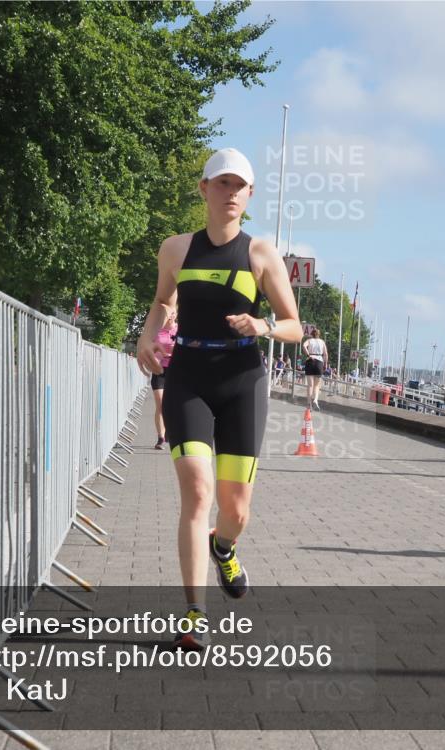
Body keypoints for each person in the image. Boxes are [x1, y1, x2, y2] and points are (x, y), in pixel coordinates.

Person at [137, 147, 302, 648]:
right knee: (197, 495)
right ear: (204, 189)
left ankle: (224, 548)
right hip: (188, 375)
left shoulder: (261, 254)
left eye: (239, 186)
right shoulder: (175, 249)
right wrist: (146, 336)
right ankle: (193, 614)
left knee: (236, 511)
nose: (230, 193)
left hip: (242, 381)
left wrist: (264, 325)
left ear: (250, 195)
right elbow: (164, 301)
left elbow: (296, 326)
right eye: (222, 183)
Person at [151, 305, 178, 449]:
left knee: (172, 404)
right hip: (159, 369)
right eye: (168, 313)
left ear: (176, 314)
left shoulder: (180, 330)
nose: (170, 315)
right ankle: (161, 438)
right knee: (160, 405)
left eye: (173, 313)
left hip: (176, 370)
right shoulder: (156, 331)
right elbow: (151, 349)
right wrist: (159, 354)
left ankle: (170, 432)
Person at [302, 326, 327, 410]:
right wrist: (325, 364)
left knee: (310, 385)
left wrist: (308, 355)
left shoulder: (309, 340)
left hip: (310, 361)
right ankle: (315, 400)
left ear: (311, 334)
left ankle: (309, 404)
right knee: (316, 385)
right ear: (319, 334)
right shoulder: (322, 342)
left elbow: (303, 346)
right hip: (319, 361)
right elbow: (326, 354)